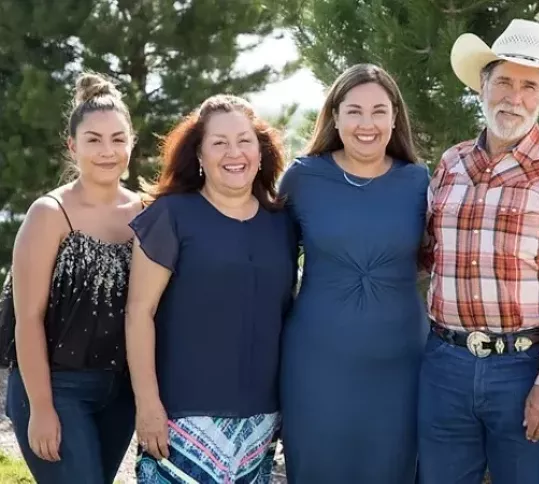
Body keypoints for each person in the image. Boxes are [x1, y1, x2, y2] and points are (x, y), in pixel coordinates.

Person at [418, 19, 539, 484]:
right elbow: (427, 252)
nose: (513, 98)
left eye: (527, 86)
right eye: (503, 82)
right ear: (482, 85)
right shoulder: (451, 164)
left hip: (522, 370)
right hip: (445, 363)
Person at [125, 94, 297, 483]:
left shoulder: (282, 222)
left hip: (261, 420)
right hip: (182, 418)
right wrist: (147, 404)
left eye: (244, 140)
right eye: (219, 143)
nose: (233, 153)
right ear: (199, 154)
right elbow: (139, 314)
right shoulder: (170, 217)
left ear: (260, 149)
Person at [277, 63, 428, 484]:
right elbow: (274, 267)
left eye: (379, 111)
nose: (367, 124)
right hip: (317, 361)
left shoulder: (420, 182)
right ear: (335, 116)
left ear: (394, 117)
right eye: (354, 111)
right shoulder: (302, 178)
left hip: (401, 362)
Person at [0, 72, 140, 482]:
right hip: (56, 389)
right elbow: (27, 319)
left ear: (131, 143)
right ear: (72, 146)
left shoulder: (145, 214)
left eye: (118, 139)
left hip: (119, 393)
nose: (107, 151)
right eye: (93, 140)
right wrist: (42, 408)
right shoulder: (49, 214)